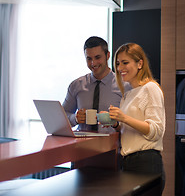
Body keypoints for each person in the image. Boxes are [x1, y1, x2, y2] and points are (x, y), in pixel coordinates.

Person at [104, 42, 166, 194]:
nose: (119, 68)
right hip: (129, 162)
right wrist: (115, 123)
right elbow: (128, 127)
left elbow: (156, 130)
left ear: (140, 63)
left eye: (125, 62)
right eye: (118, 64)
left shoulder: (151, 88)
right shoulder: (129, 93)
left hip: (146, 162)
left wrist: (124, 118)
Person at [62, 36, 130, 132]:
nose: (93, 63)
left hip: (112, 145)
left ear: (108, 55)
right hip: (81, 145)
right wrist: (75, 118)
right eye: (89, 59)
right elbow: (63, 116)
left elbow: (132, 121)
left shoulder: (125, 86)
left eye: (97, 57)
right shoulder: (76, 85)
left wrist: (115, 122)